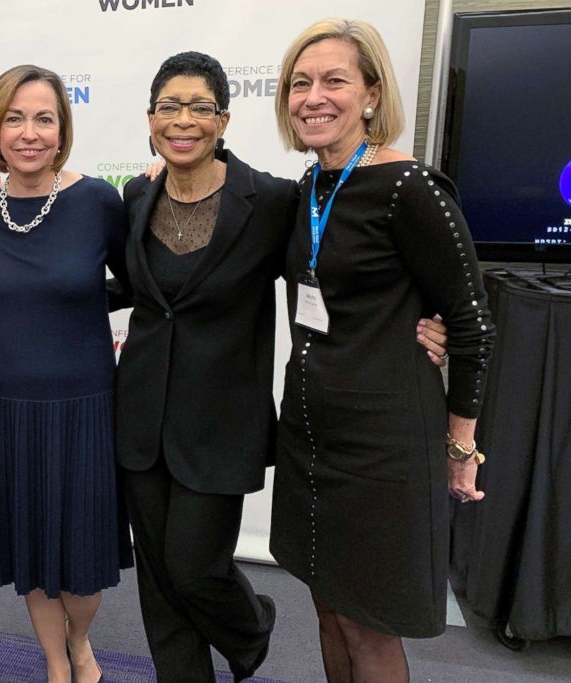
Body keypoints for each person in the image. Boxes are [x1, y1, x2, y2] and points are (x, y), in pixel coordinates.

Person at [118, 52, 451, 683]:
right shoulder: (136, 195)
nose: (182, 120)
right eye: (169, 106)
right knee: (159, 585)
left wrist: (423, 321)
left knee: (193, 569)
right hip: (138, 417)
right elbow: (124, 286)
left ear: (223, 120)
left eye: (199, 107)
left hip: (221, 425)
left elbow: (340, 270)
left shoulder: (271, 200)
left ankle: (251, 628)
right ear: (151, 118)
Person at [269, 19, 494, 682]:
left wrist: (460, 446)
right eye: (299, 83)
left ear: (370, 94)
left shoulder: (410, 188)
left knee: (368, 626)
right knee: (328, 610)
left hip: (384, 447)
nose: (314, 95)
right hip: (310, 436)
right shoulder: (306, 189)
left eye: (334, 80)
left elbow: (473, 322)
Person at [0, 65, 132, 683]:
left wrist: (82, 299)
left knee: (84, 558)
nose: (29, 133)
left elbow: (138, 281)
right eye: (15, 118)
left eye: (43, 118)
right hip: (6, 406)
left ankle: (81, 640)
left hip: (83, 404)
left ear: (63, 131)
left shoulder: (97, 201)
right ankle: (58, 664)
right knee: (32, 550)